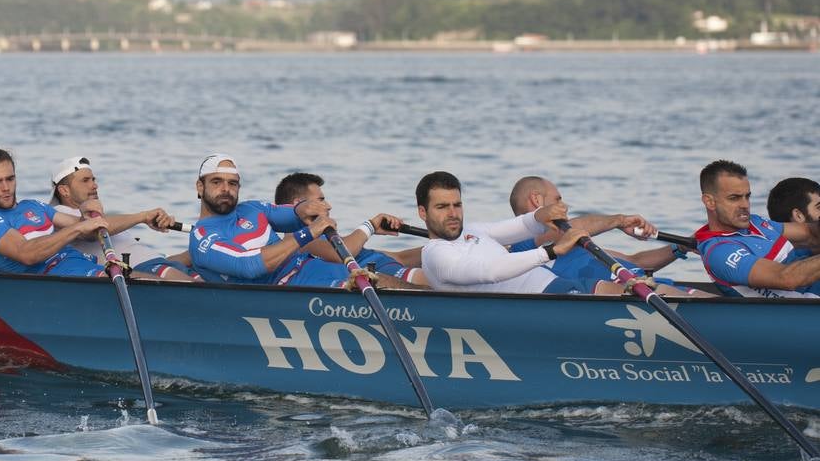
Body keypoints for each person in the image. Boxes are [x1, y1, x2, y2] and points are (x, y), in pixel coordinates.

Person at [187, 154, 419, 289]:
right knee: (381, 286)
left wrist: (306, 208)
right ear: (200, 187)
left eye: (232, 183)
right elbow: (249, 265)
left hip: (311, 268)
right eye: (216, 182)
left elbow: (290, 213)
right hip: (288, 291)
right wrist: (308, 232)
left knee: (387, 282)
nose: (226, 190)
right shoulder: (202, 239)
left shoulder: (251, 209)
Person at [415, 170, 635, 295]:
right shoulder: (435, 254)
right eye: (442, 207)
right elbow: (488, 271)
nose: (453, 213)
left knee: (636, 290)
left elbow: (522, 226)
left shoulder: (473, 231)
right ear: (423, 212)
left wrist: (542, 214)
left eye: (457, 205)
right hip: (540, 304)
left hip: (558, 286)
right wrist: (550, 251)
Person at [506, 176, 690, 282]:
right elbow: (572, 228)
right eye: (557, 199)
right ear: (536, 200)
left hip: (647, 286)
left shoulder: (575, 246)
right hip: (630, 294)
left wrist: (681, 247)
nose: (565, 205)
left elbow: (636, 261)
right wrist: (620, 221)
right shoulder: (522, 243)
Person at [49, 155, 196, 281]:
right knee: (195, 286)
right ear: (64, 190)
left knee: (197, 258)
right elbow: (94, 228)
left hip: (158, 262)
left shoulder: (97, 216)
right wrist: (143, 217)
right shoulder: (58, 214)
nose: (95, 185)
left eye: (93, 179)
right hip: (138, 270)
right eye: (85, 180)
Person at [0, 148, 111, 277]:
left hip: (82, 263)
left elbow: (86, 227)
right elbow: (27, 254)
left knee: (132, 275)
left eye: (10, 179)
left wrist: (85, 214)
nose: (6, 187)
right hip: (60, 278)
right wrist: (78, 228)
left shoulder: (32, 205)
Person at [272, 171, 428, 287]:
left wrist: (441, 245)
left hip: (386, 271)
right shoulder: (297, 240)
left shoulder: (333, 242)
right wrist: (370, 226)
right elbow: (341, 254)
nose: (329, 206)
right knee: (441, 281)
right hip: (381, 280)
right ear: (299, 204)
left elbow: (401, 258)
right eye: (321, 200)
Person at [695, 161, 820, 298]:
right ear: (709, 202)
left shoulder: (755, 222)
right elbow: (787, 278)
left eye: (747, 196)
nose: (745, 205)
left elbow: (810, 233)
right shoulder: (719, 252)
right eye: (734, 198)